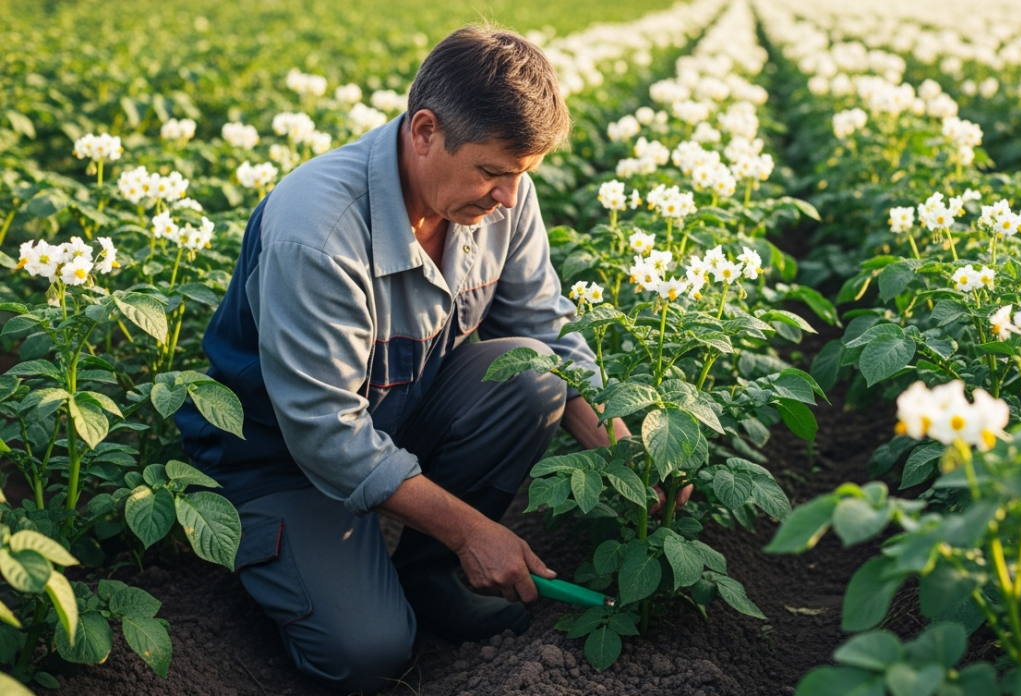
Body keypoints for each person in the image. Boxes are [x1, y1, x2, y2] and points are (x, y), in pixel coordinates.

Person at [175, 26, 686, 693]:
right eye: (493, 172)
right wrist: (473, 531)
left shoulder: (502, 195)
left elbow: (545, 329)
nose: (507, 197)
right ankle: (311, 559)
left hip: (396, 411)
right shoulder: (320, 232)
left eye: (520, 175)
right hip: (281, 458)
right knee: (369, 653)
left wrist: (624, 450)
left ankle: (421, 569)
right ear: (423, 131)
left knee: (533, 375)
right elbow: (325, 434)